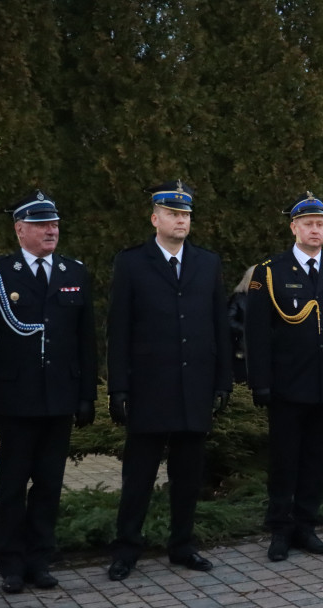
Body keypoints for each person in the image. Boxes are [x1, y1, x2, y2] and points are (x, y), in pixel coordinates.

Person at [0, 190, 97, 595]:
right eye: (42, 224)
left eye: (54, 224)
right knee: (11, 486)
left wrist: (87, 395)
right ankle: (10, 563)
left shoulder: (73, 272)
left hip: (59, 396)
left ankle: (40, 560)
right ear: (20, 229)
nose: (51, 230)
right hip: (16, 398)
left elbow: (86, 340)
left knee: (48, 484)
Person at [107, 180, 232, 580]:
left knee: (188, 476)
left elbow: (219, 324)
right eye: (173, 214)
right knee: (138, 476)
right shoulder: (131, 263)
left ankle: (182, 545)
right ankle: (127, 549)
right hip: (149, 388)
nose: (181, 220)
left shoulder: (207, 263)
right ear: (155, 219)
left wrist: (223, 380)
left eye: (186, 214)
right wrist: (118, 386)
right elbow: (119, 329)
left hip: (194, 386)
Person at [246, 191, 323, 561]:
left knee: (315, 460)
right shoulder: (270, 271)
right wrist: (260, 381)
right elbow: (256, 333)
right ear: (293, 227)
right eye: (309, 223)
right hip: (286, 385)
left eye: (321, 224)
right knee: (284, 461)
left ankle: (306, 526)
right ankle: (280, 529)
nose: (316, 230)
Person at [228, 265, 256, 384]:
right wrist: (246, 330)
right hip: (242, 351)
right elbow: (229, 320)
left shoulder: (269, 300)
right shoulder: (239, 298)